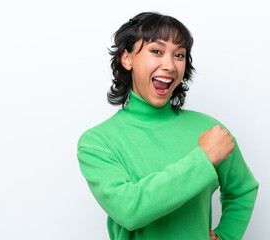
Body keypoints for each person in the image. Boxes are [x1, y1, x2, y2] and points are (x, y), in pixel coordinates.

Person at [77, 12, 258, 240]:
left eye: (179, 55)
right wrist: (203, 159)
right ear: (127, 59)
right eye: (156, 51)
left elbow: (243, 189)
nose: (170, 65)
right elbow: (130, 210)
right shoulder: (97, 142)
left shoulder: (210, 130)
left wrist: (226, 235)